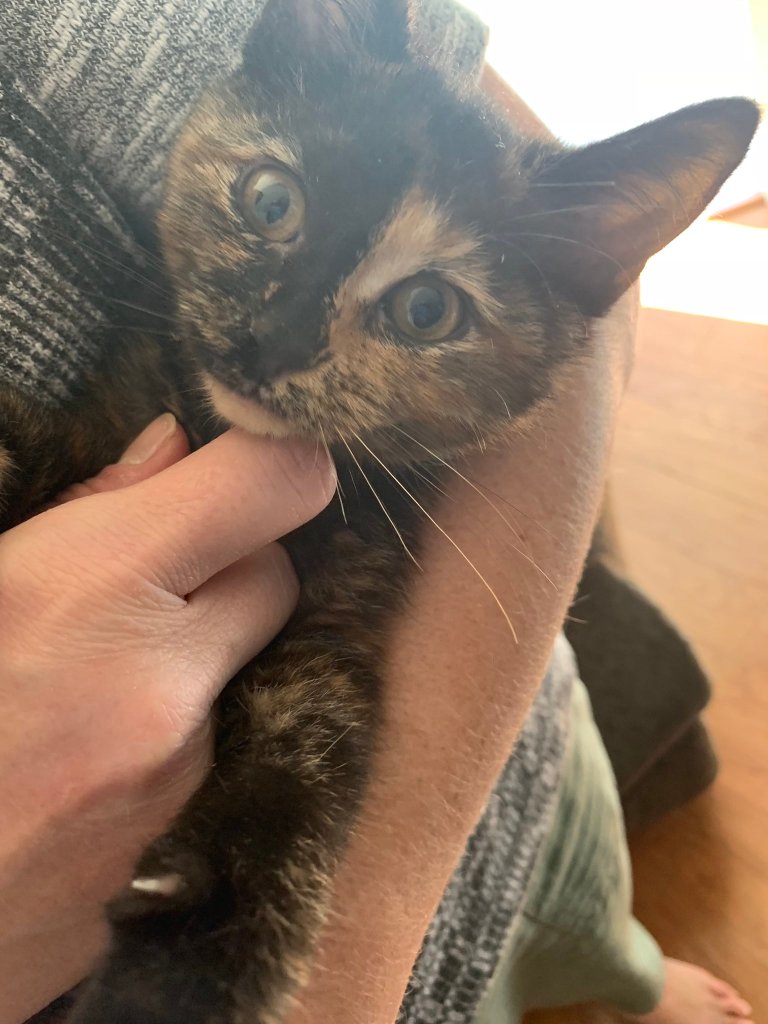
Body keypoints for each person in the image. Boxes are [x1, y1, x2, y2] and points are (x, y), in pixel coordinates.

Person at [0, 2, 754, 1023]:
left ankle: (625, 969)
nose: (281, 339)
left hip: (525, 772)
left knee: (587, 907)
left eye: (425, 309)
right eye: (271, 205)